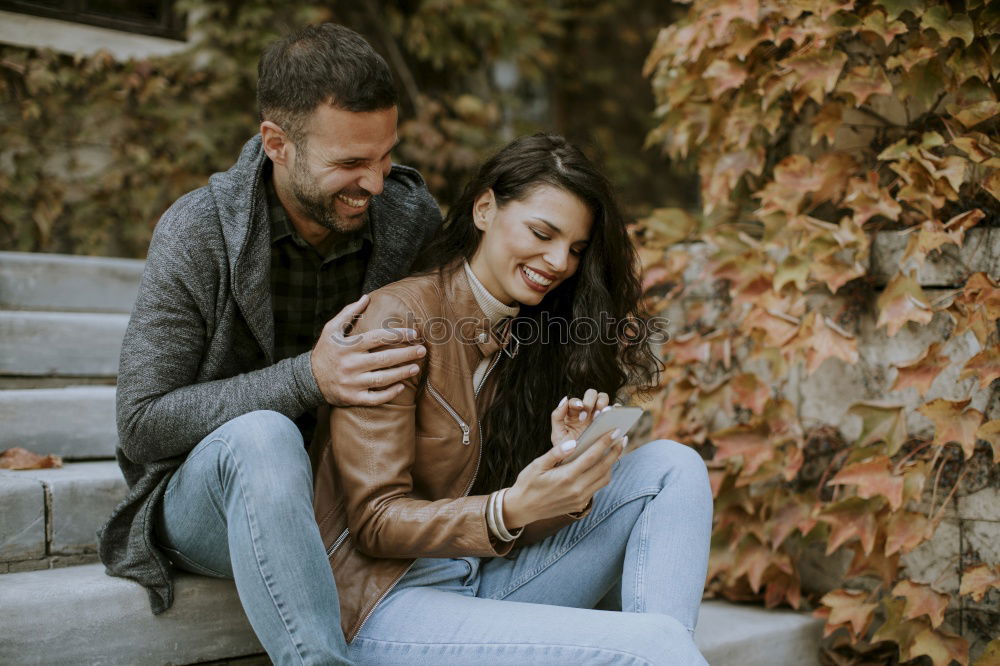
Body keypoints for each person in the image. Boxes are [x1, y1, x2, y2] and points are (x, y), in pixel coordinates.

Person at [98, 23, 441, 664]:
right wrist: (308, 380)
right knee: (265, 435)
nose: (374, 182)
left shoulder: (408, 217)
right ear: (276, 144)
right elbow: (142, 425)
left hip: (351, 500)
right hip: (208, 500)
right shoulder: (197, 233)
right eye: (349, 164)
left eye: (385, 156)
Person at [312, 134, 714, 664]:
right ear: (485, 209)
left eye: (575, 249)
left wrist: (565, 474)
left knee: (673, 466)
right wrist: (510, 507)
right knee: (657, 645)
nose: (557, 262)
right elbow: (375, 521)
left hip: (480, 581)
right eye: (542, 233)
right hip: (387, 606)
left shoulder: (534, 334)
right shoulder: (398, 320)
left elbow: (514, 523)